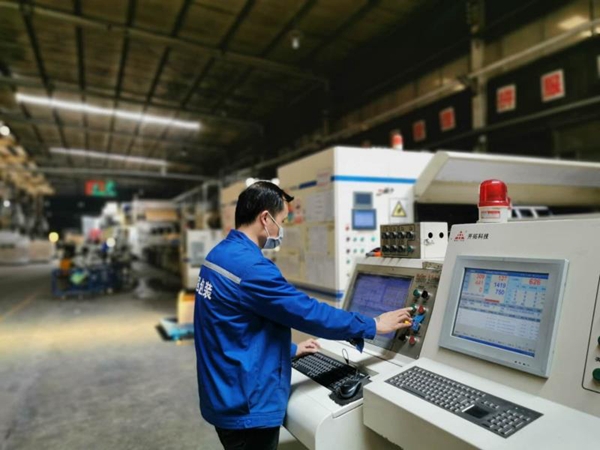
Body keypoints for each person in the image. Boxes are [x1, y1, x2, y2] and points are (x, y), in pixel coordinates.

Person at [194, 181, 413, 450]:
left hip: (223, 390)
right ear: (265, 218)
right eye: (282, 221)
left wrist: (291, 350)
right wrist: (372, 324)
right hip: (245, 407)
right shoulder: (252, 268)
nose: (281, 230)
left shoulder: (219, 254)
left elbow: (232, 328)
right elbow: (307, 312)